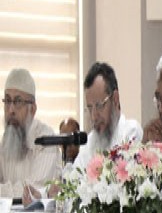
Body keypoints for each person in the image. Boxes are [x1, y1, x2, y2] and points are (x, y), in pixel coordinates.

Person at [0, 68, 60, 204]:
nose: (11, 110)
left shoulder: (46, 140)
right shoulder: (6, 140)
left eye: (18, 101)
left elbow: (33, 191)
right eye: (7, 101)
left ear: (32, 109)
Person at [74, 62, 142, 168]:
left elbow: (124, 175)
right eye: (90, 108)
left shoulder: (131, 131)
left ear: (115, 99)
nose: (94, 116)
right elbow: (74, 175)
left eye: (99, 105)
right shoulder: (89, 143)